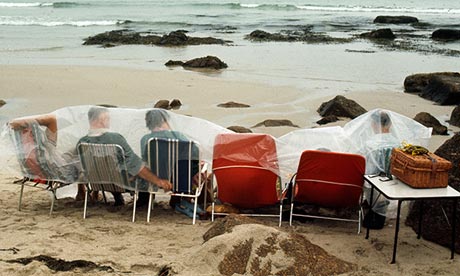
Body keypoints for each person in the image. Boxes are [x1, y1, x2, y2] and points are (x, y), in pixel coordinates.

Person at [78, 106, 172, 206]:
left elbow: (81, 167)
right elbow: (136, 166)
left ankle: (117, 198)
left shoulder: (82, 142)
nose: (109, 121)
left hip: (97, 183)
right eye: (108, 119)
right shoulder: (115, 139)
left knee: (112, 168)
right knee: (143, 170)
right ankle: (142, 203)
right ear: (102, 120)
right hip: (120, 184)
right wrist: (158, 181)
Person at [140, 109, 204, 217]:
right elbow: (195, 152)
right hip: (179, 179)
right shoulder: (177, 136)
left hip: (155, 178)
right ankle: (180, 199)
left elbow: (145, 158)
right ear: (165, 121)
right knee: (193, 165)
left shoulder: (146, 139)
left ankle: (145, 200)